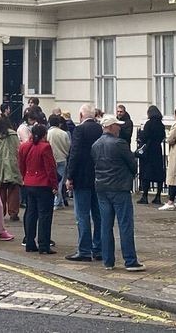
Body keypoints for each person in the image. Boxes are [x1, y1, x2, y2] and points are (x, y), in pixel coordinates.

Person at [92, 114, 144, 271]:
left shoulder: (96, 145)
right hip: (119, 188)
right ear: (110, 126)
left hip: (102, 188)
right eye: (117, 125)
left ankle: (108, 261)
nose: (119, 127)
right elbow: (132, 164)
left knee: (105, 225)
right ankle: (130, 260)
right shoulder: (119, 143)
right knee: (125, 224)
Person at [64, 103, 103, 261]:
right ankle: (98, 248)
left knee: (82, 215)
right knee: (98, 215)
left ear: (81, 116)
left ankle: (84, 250)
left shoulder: (79, 130)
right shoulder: (101, 129)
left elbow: (75, 154)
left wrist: (69, 176)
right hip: (99, 177)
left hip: (82, 178)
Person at [19, 122, 57, 254]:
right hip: (43, 184)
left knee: (30, 213)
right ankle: (44, 245)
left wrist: (25, 177)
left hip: (29, 183)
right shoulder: (45, 147)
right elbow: (50, 168)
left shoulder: (24, 146)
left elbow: (21, 165)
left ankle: (29, 242)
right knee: (44, 215)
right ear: (44, 134)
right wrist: (54, 185)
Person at [0, 114, 22, 222]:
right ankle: (13, 212)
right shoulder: (13, 135)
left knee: (1, 190)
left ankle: (1, 211)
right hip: (12, 164)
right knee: (14, 189)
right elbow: (18, 149)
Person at [136, 105, 166, 205]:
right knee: (158, 173)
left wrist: (141, 134)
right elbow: (162, 137)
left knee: (146, 174)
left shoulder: (149, 124)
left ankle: (145, 195)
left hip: (148, 151)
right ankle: (158, 196)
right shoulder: (161, 124)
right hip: (157, 150)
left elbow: (144, 137)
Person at [47, 114, 71, 209]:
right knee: (60, 181)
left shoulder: (48, 133)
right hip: (62, 158)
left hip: (52, 159)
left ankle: (56, 201)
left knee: (52, 180)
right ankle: (58, 201)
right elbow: (68, 146)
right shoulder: (64, 133)